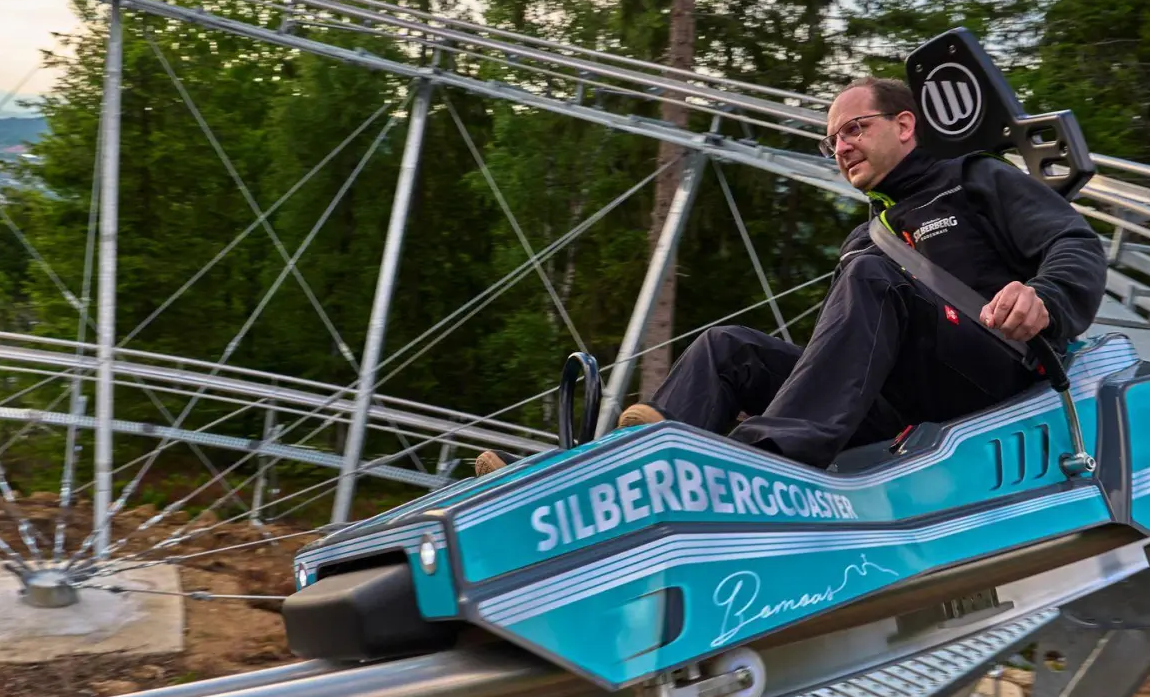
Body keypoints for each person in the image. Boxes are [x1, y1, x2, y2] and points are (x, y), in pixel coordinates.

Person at [474, 76, 1106, 476]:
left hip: (993, 376)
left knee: (872, 275)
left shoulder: (974, 179)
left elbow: (1074, 243)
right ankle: (627, 473)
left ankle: (761, 464)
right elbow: (840, 356)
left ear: (904, 125)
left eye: (854, 129)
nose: (841, 147)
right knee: (729, 349)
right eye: (832, 142)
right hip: (899, 406)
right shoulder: (865, 240)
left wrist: (1043, 298)